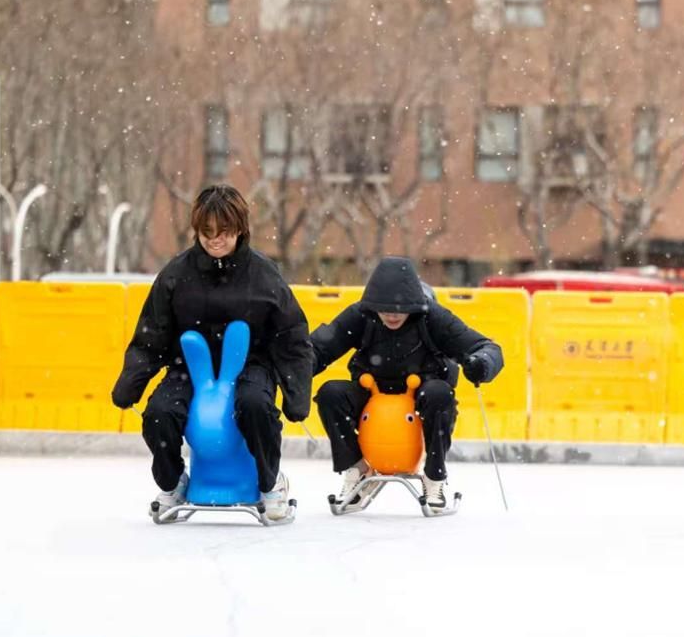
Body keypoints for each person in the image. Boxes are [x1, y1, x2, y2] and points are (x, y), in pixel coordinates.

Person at [111, 184, 313, 521]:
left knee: (255, 406)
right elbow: (151, 337)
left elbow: (291, 338)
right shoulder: (176, 276)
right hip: (190, 367)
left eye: (224, 232)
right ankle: (174, 481)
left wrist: (296, 395)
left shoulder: (264, 277)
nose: (215, 240)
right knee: (160, 413)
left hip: (250, 364)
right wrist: (131, 382)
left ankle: (270, 483)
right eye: (207, 233)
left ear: (240, 230)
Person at [311, 256, 503, 511]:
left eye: (400, 308)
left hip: (421, 395)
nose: (392, 314)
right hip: (372, 394)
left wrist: (481, 363)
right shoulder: (361, 315)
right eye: (385, 308)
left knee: (440, 394)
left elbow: (486, 347)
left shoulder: (432, 317)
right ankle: (357, 468)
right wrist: (295, 368)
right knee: (330, 393)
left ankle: (435, 476)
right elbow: (317, 348)